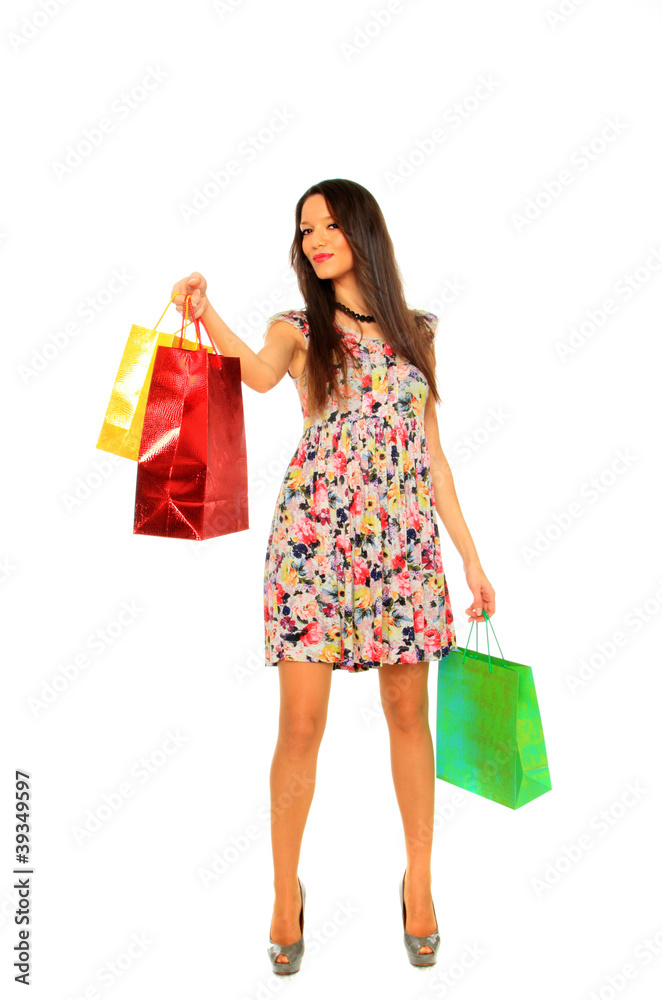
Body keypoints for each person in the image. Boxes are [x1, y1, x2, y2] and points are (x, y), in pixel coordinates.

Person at [170, 178, 495, 974]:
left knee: (407, 717)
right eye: (304, 228)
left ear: (361, 232)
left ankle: (418, 883)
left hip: (403, 548)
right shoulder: (298, 326)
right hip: (313, 545)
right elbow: (250, 374)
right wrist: (204, 313)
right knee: (301, 726)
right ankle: (286, 891)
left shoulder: (416, 331)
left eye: (329, 225)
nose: (314, 238)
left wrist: (471, 558)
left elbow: (435, 459)